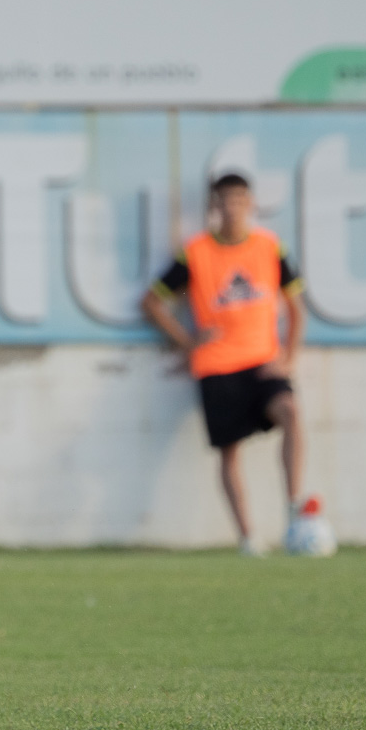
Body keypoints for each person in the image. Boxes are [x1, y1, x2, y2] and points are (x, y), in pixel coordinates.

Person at [141, 173, 309, 557]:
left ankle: (294, 508)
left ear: (250, 203)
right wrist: (186, 341)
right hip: (217, 365)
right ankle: (248, 538)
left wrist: (288, 357)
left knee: (292, 412)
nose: (232, 206)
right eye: (224, 199)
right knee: (230, 451)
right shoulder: (196, 252)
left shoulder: (270, 247)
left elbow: (296, 308)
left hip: (263, 360)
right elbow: (152, 301)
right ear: (214, 206)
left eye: (239, 198)